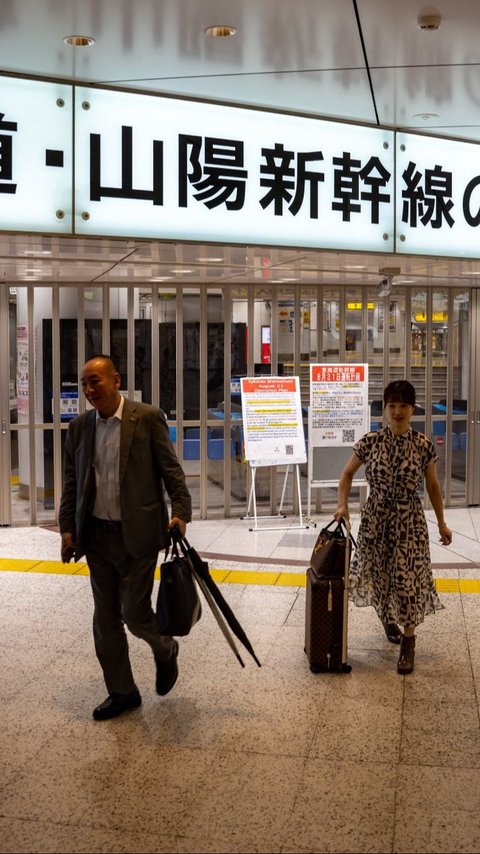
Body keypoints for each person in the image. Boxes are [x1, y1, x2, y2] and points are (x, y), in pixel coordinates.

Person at [59, 355, 192, 720]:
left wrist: (180, 513)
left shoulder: (146, 418)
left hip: (140, 535)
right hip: (97, 538)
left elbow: (171, 472)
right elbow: (72, 484)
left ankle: (165, 649)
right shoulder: (80, 428)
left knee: (134, 615)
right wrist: (67, 529)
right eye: (84, 383)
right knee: (105, 621)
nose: (88, 390)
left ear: (115, 380)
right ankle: (123, 691)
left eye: (95, 382)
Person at [334, 380, 452, 675]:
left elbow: (433, 486)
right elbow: (347, 474)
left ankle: (409, 641)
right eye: (392, 406)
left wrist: (441, 522)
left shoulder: (423, 446)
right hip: (376, 520)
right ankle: (388, 619)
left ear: (413, 409)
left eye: (403, 406)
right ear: (385, 409)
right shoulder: (370, 442)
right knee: (380, 575)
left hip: (409, 523)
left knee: (408, 581)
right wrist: (342, 505)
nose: (397, 411)